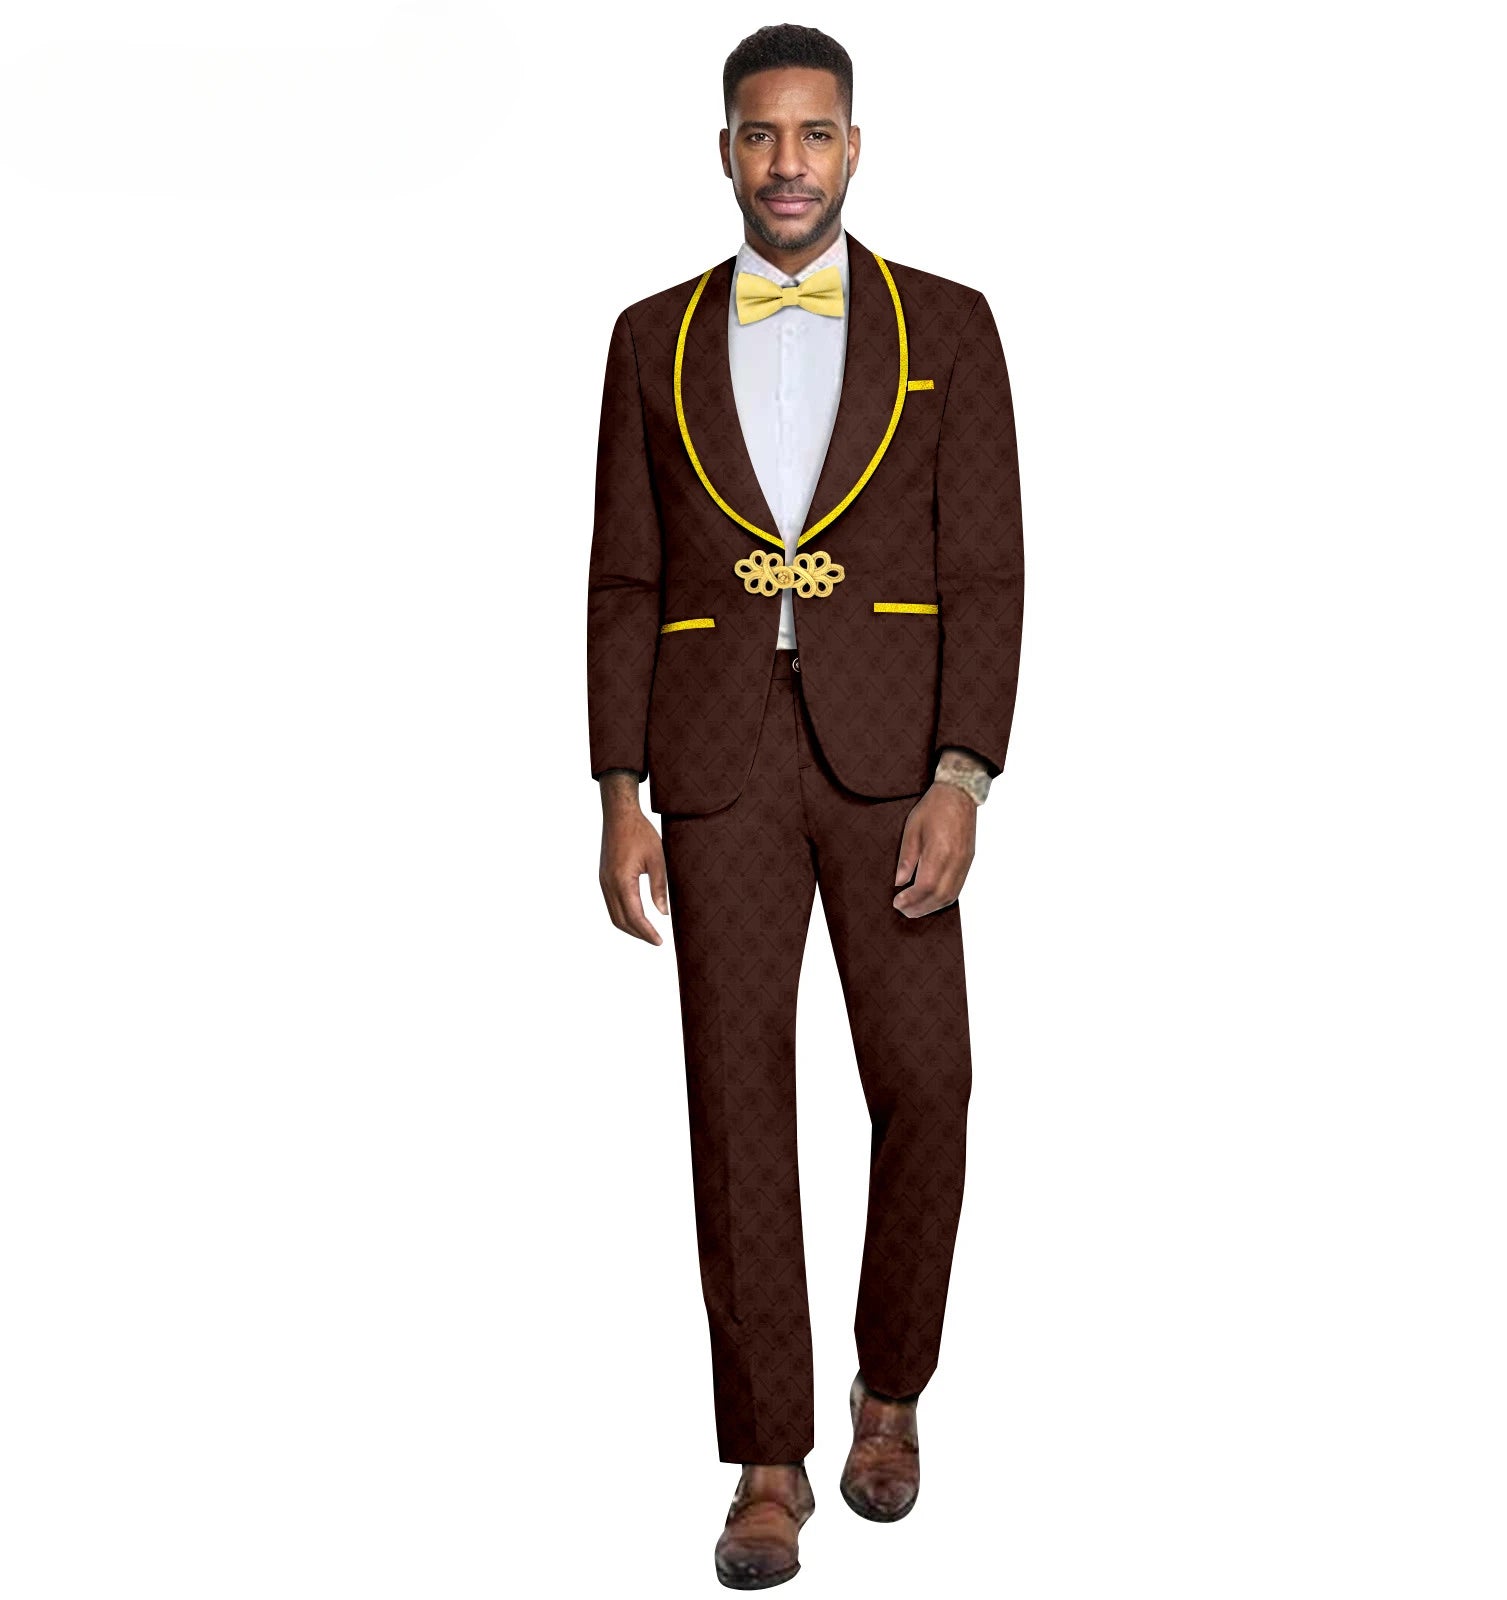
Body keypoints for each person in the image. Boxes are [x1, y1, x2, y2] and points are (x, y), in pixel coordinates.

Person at [586, 22, 1024, 1589]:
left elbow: (986, 566)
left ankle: (888, 1393)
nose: (788, 163)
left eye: (814, 134)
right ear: (725, 150)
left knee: (927, 1080)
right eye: (761, 135)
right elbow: (624, 576)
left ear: (854, 147)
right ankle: (767, 1460)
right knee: (737, 1104)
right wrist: (618, 791)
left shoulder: (948, 326)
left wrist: (965, 773)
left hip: (893, 759)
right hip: (712, 760)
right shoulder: (649, 338)